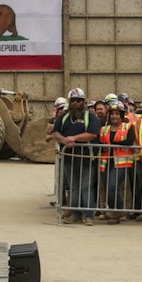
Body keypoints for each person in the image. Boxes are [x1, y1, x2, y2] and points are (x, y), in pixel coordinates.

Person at [52, 87, 102, 225]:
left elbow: (92, 134)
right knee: (74, 186)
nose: (76, 103)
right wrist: (64, 140)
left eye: (79, 100)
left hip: (86, 159)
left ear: (84, 102)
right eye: (73, 100)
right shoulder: (64, 117)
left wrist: (74, 138)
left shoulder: (90, 117)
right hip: (69, 159)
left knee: (86, 186)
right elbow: (55, 133)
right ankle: (75, 213)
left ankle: (88, 215)